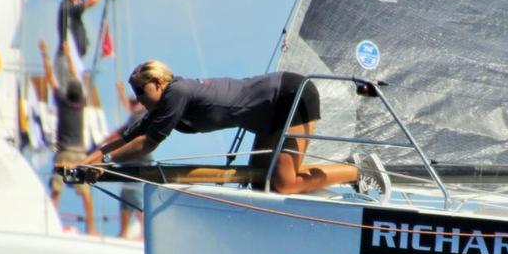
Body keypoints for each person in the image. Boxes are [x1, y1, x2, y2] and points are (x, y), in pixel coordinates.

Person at [66, 62, 390, 196]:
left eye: (141, 91)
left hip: (290, 97)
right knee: (262, 188)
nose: (138, 99)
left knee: (284, 184)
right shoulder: (167, 103)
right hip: (268, 114)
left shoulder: (176, 93)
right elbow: (127, 136)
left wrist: (105, 164)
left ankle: (356, 170)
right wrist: (88, 160)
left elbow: (145, 145)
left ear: (158, 82)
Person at [39, 39, 98, 235]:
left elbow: (50, 78)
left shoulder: (62, 102)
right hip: (80, 154)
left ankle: (49, 227)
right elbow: (76, 77)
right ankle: (91, 228)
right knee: (86, 195)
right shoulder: (81, 103)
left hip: (64, 153)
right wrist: (69, 55)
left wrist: (45, 54)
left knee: (56, 190)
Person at [100, 81, 151, 239]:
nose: (132, 104)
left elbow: (122, 133)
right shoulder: (135, 115)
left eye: (135, 102)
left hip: (138, 163)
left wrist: (102, 144)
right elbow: (123, 126)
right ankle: (123, 233)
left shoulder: (142, 115)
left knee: (135, 196)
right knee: (125, 198)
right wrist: (121, 92)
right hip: (128, 163)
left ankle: (143, 234)